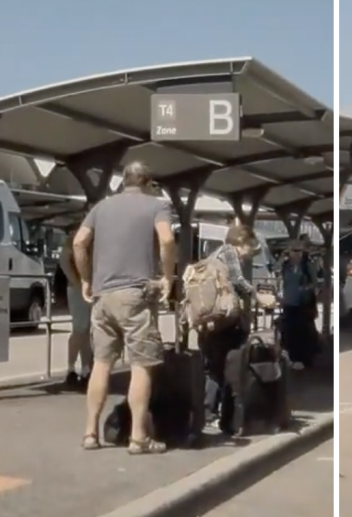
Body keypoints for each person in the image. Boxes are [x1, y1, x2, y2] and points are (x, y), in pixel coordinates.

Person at [73, 161, 175, 455]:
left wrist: (86, 280)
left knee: (101, 363)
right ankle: (138, 437)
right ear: (146, 182)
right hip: (135, 296)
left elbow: (80, 242)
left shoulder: (101, 207)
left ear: (124, 180)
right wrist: (167, 277)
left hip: (103, 297)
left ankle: (91, 433)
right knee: (141, 365)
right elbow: (167, 239)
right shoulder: (157, 206)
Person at [198, 224, 276, 433]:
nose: (251, 252)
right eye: (251, 246)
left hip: (210, 320)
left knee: (214, 369)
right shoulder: (229, 252)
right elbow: (238, 281)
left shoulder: (213, 256)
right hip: (224, 321)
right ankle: (220, 415)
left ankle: (209, 412)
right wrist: (259, 296)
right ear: (241, 242)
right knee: (227, 367)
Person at [60, 225, 93, 391]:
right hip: (78, 288)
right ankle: (72, 368)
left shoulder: (91, 235)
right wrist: (75, 281)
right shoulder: (76, 235)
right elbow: (65, 259)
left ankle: (85, 368)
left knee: (86, 330)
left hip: (86, 287)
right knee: (80, 328)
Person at [279, 239, 318, 371]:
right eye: (294, 251)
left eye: (299, 251)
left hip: (303, 304)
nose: (297, 254)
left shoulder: (307, 265)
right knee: (289, 332)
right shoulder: (286, 265)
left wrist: (306, 289)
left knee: (303, 332)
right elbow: (280, 278)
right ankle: (293, 357)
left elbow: (315, 283)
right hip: (289, 303)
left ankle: (304, 359)